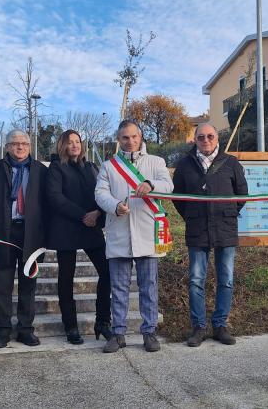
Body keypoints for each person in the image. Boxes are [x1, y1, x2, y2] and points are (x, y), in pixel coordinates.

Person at [95, 120, 173, 353]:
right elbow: (100, 193)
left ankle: (149, 332)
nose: (130, 141)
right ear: (119, 140)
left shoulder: (156, 162)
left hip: (147, 233)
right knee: (118, 289)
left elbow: (168, 185)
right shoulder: (109, 166)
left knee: (149, 287)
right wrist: (115, 206)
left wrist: (150, 184)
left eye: (134, 137)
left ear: (141, 137)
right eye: (125, 138)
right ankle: (118, 333)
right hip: (119, 232)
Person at [172, 123, 248, 347]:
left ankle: (220, 325)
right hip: (197, 229)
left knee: (226, 279)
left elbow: (242, 194)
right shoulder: (185, 165)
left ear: (217, 139)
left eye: (210, 136)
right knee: (196, 280)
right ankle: (198, 327)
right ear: (194, 139)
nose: (206, 140)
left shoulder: (231, 163)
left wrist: (228, 214)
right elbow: (178, 197)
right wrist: (192, 216)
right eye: (201, 137)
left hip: (225, 228)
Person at [0, 130, 48, 348]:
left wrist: (46, 236)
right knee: (3, 283)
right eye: (15, 144)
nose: (20, 147)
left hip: (31, 235)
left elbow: (48, 204)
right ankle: (2, 330)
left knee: (29, 283)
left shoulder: (39, 170)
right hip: (3, 233)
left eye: (24, 144)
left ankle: (26, 329)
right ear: (7, 147)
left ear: (30, 146)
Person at [46, 130, 112, 344]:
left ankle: (102, 321)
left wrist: (97, 213)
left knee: (108, 272)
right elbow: (55, 198)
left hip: (90, 228)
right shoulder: (56, 167)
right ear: (62, 145)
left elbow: (102, 194)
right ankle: (71, 327)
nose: (74, 145)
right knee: (66, 279)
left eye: (77, 141)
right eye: (70, 142)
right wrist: (82, 215)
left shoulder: (92, 167)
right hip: (67, 228)